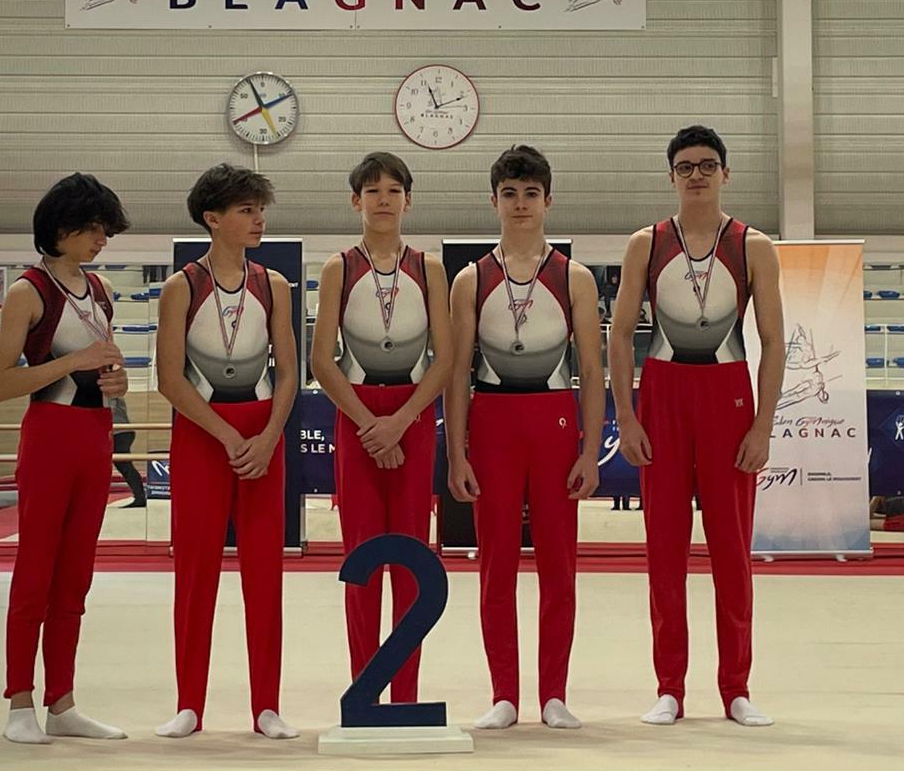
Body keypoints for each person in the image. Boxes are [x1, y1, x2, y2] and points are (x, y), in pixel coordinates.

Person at [608, 125, 783, 729]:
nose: (697, 175)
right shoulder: (647, 244)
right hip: (663, 392)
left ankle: (736, 687)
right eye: (686, 167)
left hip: (727, 395)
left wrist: (762, 426)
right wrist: (627, 415)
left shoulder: (753, 246)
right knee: (664, 549)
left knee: (731, 550)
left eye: (708, 165)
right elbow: (619, 335)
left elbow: (773, 341)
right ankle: (670, 688)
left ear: (726, 174)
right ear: (672, 177)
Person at [445, 145, 604, 730]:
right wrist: (456, 453)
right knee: (497, 565)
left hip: (554, 420)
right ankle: (505, 694)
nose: (520, 204)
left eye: (530, 194)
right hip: (492, 421)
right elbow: (457, 372)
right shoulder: (471, 280)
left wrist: (590, 451)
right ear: (493, 201)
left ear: (548, 201)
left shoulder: (574, 278)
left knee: (559, 564)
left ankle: (554, 693)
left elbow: (592, 369)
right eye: (509, 194)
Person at [154, 164, 298, 740]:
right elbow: (170, 379)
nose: (259, 219)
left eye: (260, 209)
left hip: (262, 434)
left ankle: (267, 705)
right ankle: (189, 703)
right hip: (202, 433)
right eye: (246, 210)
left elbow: (288, 373)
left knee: (265, 573)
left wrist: (268, 437)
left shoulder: (275, 285)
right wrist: (226, 435)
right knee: (196, 573)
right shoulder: (180, 288)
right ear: (212, 219)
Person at [0, 173, 131, 745]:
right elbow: (0, 385)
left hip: (95, 436)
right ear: (61, 228)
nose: (102, 239)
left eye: (106, 230)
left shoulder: (101, 290)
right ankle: (19, 702)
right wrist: (72, 363)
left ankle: (63, 703)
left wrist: (116, 381)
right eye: (94, 228)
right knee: (36, 572)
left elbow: (102, 366)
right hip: (49, 435)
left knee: (76, 577)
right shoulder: (27, 292)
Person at [311, 151, 453, 704]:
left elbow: (444, 358)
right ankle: (365, 692)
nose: (384, 200)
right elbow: (323, 360)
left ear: (408, 201)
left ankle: (406, 696)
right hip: (359, 416)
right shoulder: (339, 268)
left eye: (394, 191)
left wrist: (402, 421)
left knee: (413, 561)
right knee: (363, 559)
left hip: (411, 415)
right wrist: (372, 425)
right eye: (372, 191)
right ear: (356, 201)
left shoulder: (429, 268)